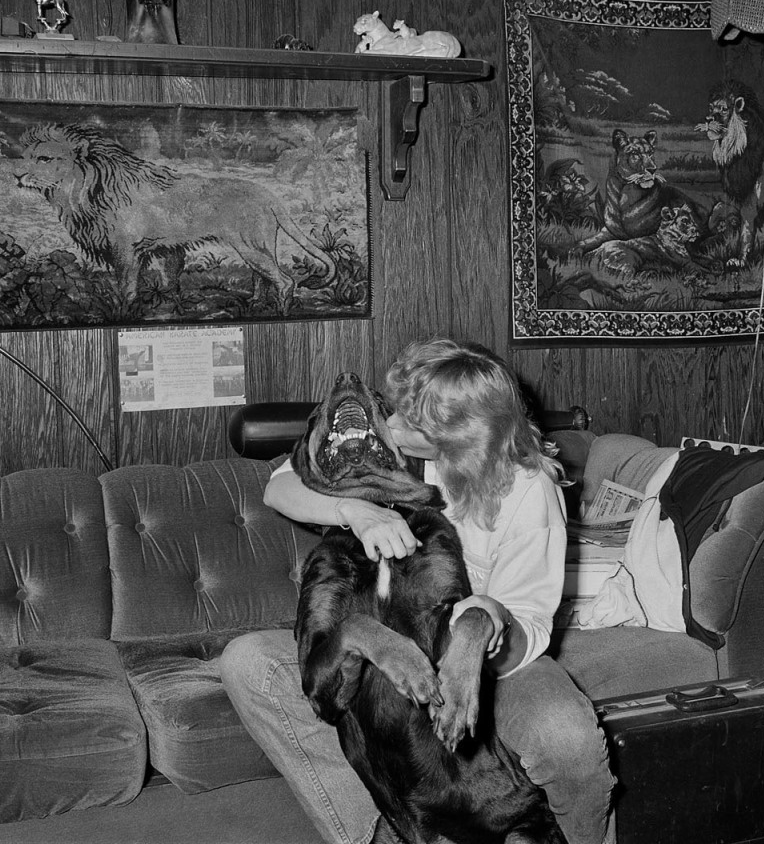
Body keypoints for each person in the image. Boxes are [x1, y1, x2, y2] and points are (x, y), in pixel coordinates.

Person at [219, 338, 614, 844]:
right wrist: (356, 511)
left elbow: (529, 620)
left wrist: (477, 633)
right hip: (383, 636)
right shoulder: (395, 452)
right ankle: (376, 830)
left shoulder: (527, 490)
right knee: (246, 661)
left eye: (410, 422)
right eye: (395, 409)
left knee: (567, 738)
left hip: (483, 650)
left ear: (462, 438)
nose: (391, 425)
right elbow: (280, 485)